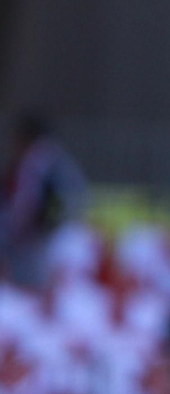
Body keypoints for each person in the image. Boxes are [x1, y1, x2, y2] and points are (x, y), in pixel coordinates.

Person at [0, 111, 87, 289]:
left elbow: (28, 200)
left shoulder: (39, 161)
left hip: (35, 236)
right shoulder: (52, 159)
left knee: (30, 286)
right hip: (39, 233)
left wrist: (39, 224)